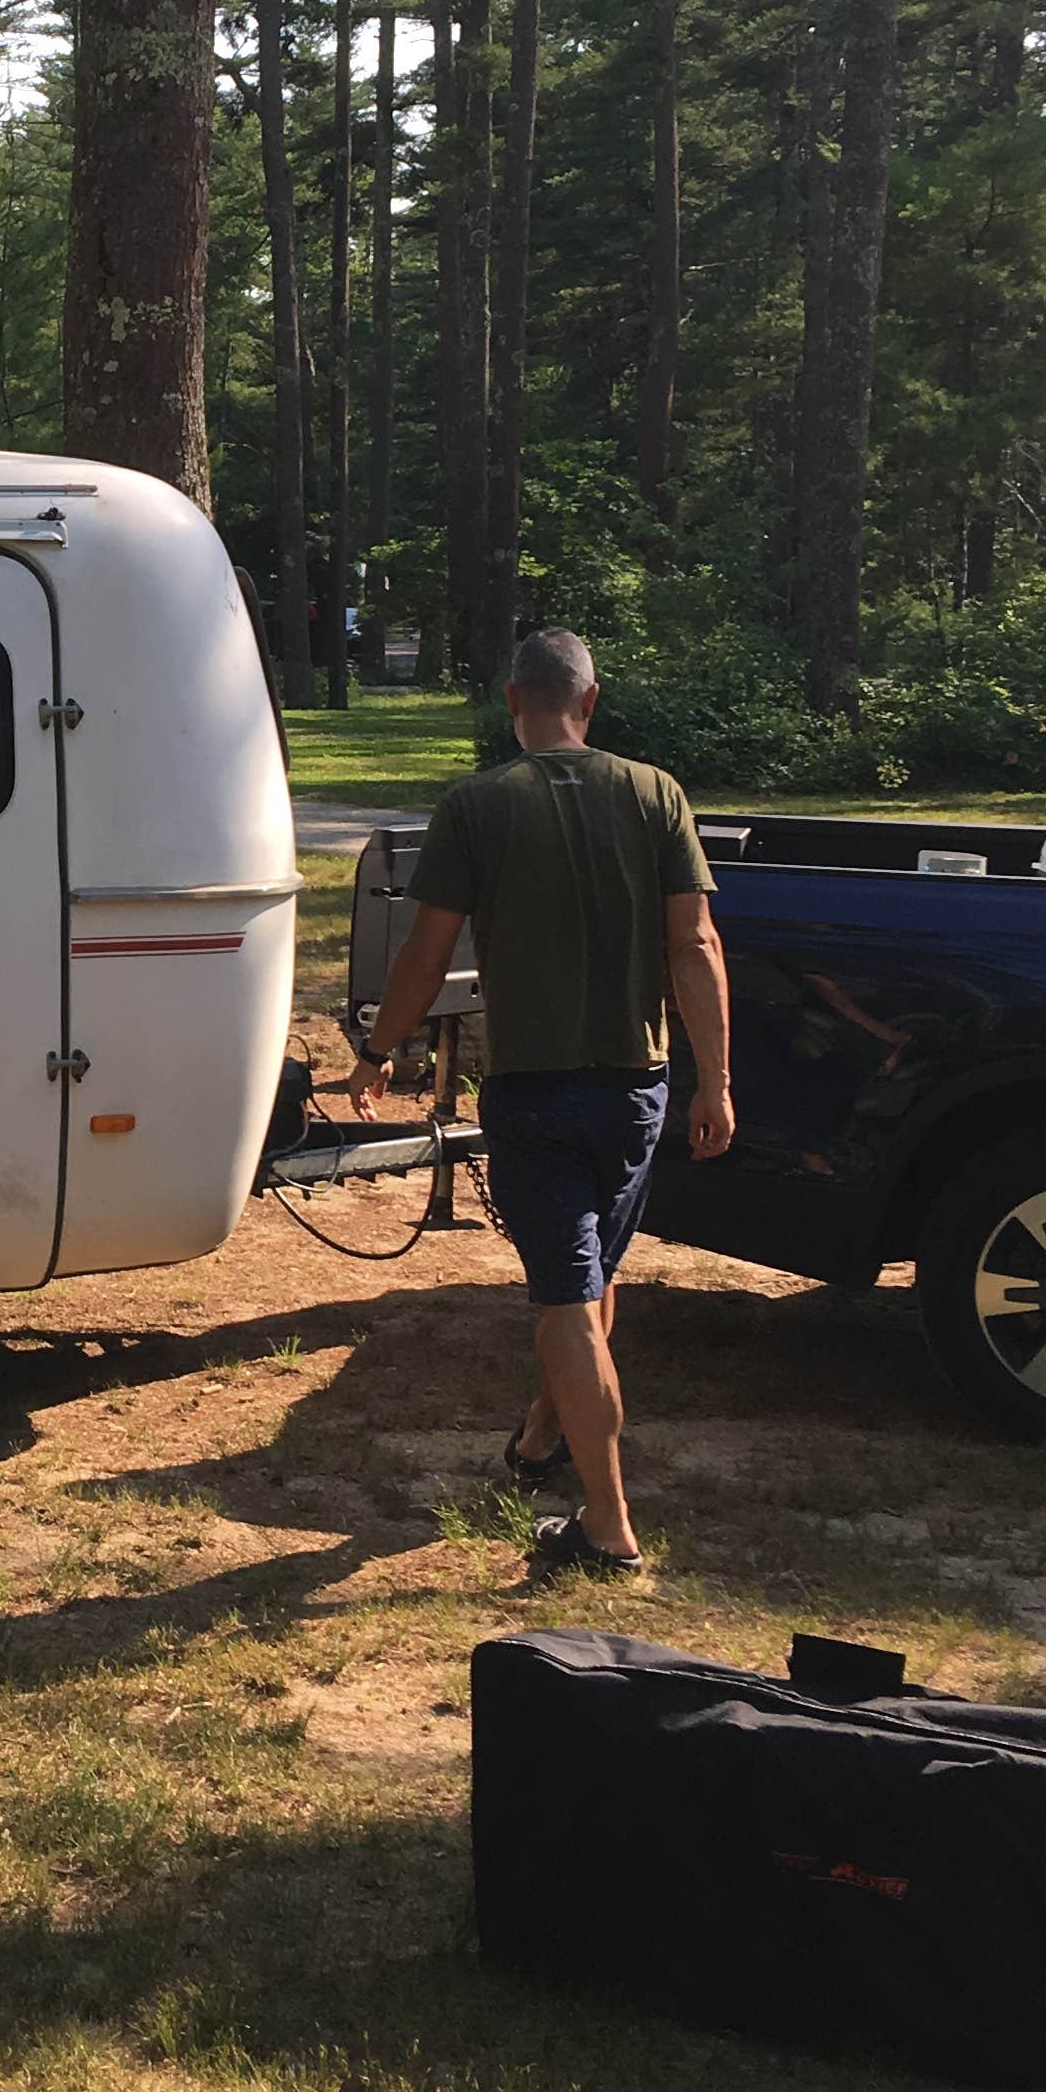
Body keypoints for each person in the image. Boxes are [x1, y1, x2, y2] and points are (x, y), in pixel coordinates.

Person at [349, 628, 736, 1583]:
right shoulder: (657, 794)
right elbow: (696, 948)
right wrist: (717, 1081)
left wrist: (380, 1049)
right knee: (592, 1287)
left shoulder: (479, 804)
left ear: (511, 701)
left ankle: (607, 1530)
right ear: (590, 700)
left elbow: (425, 955)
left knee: (568, 1302)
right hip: (637, 1091)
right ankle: (536, 1441)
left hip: (533, 1094)